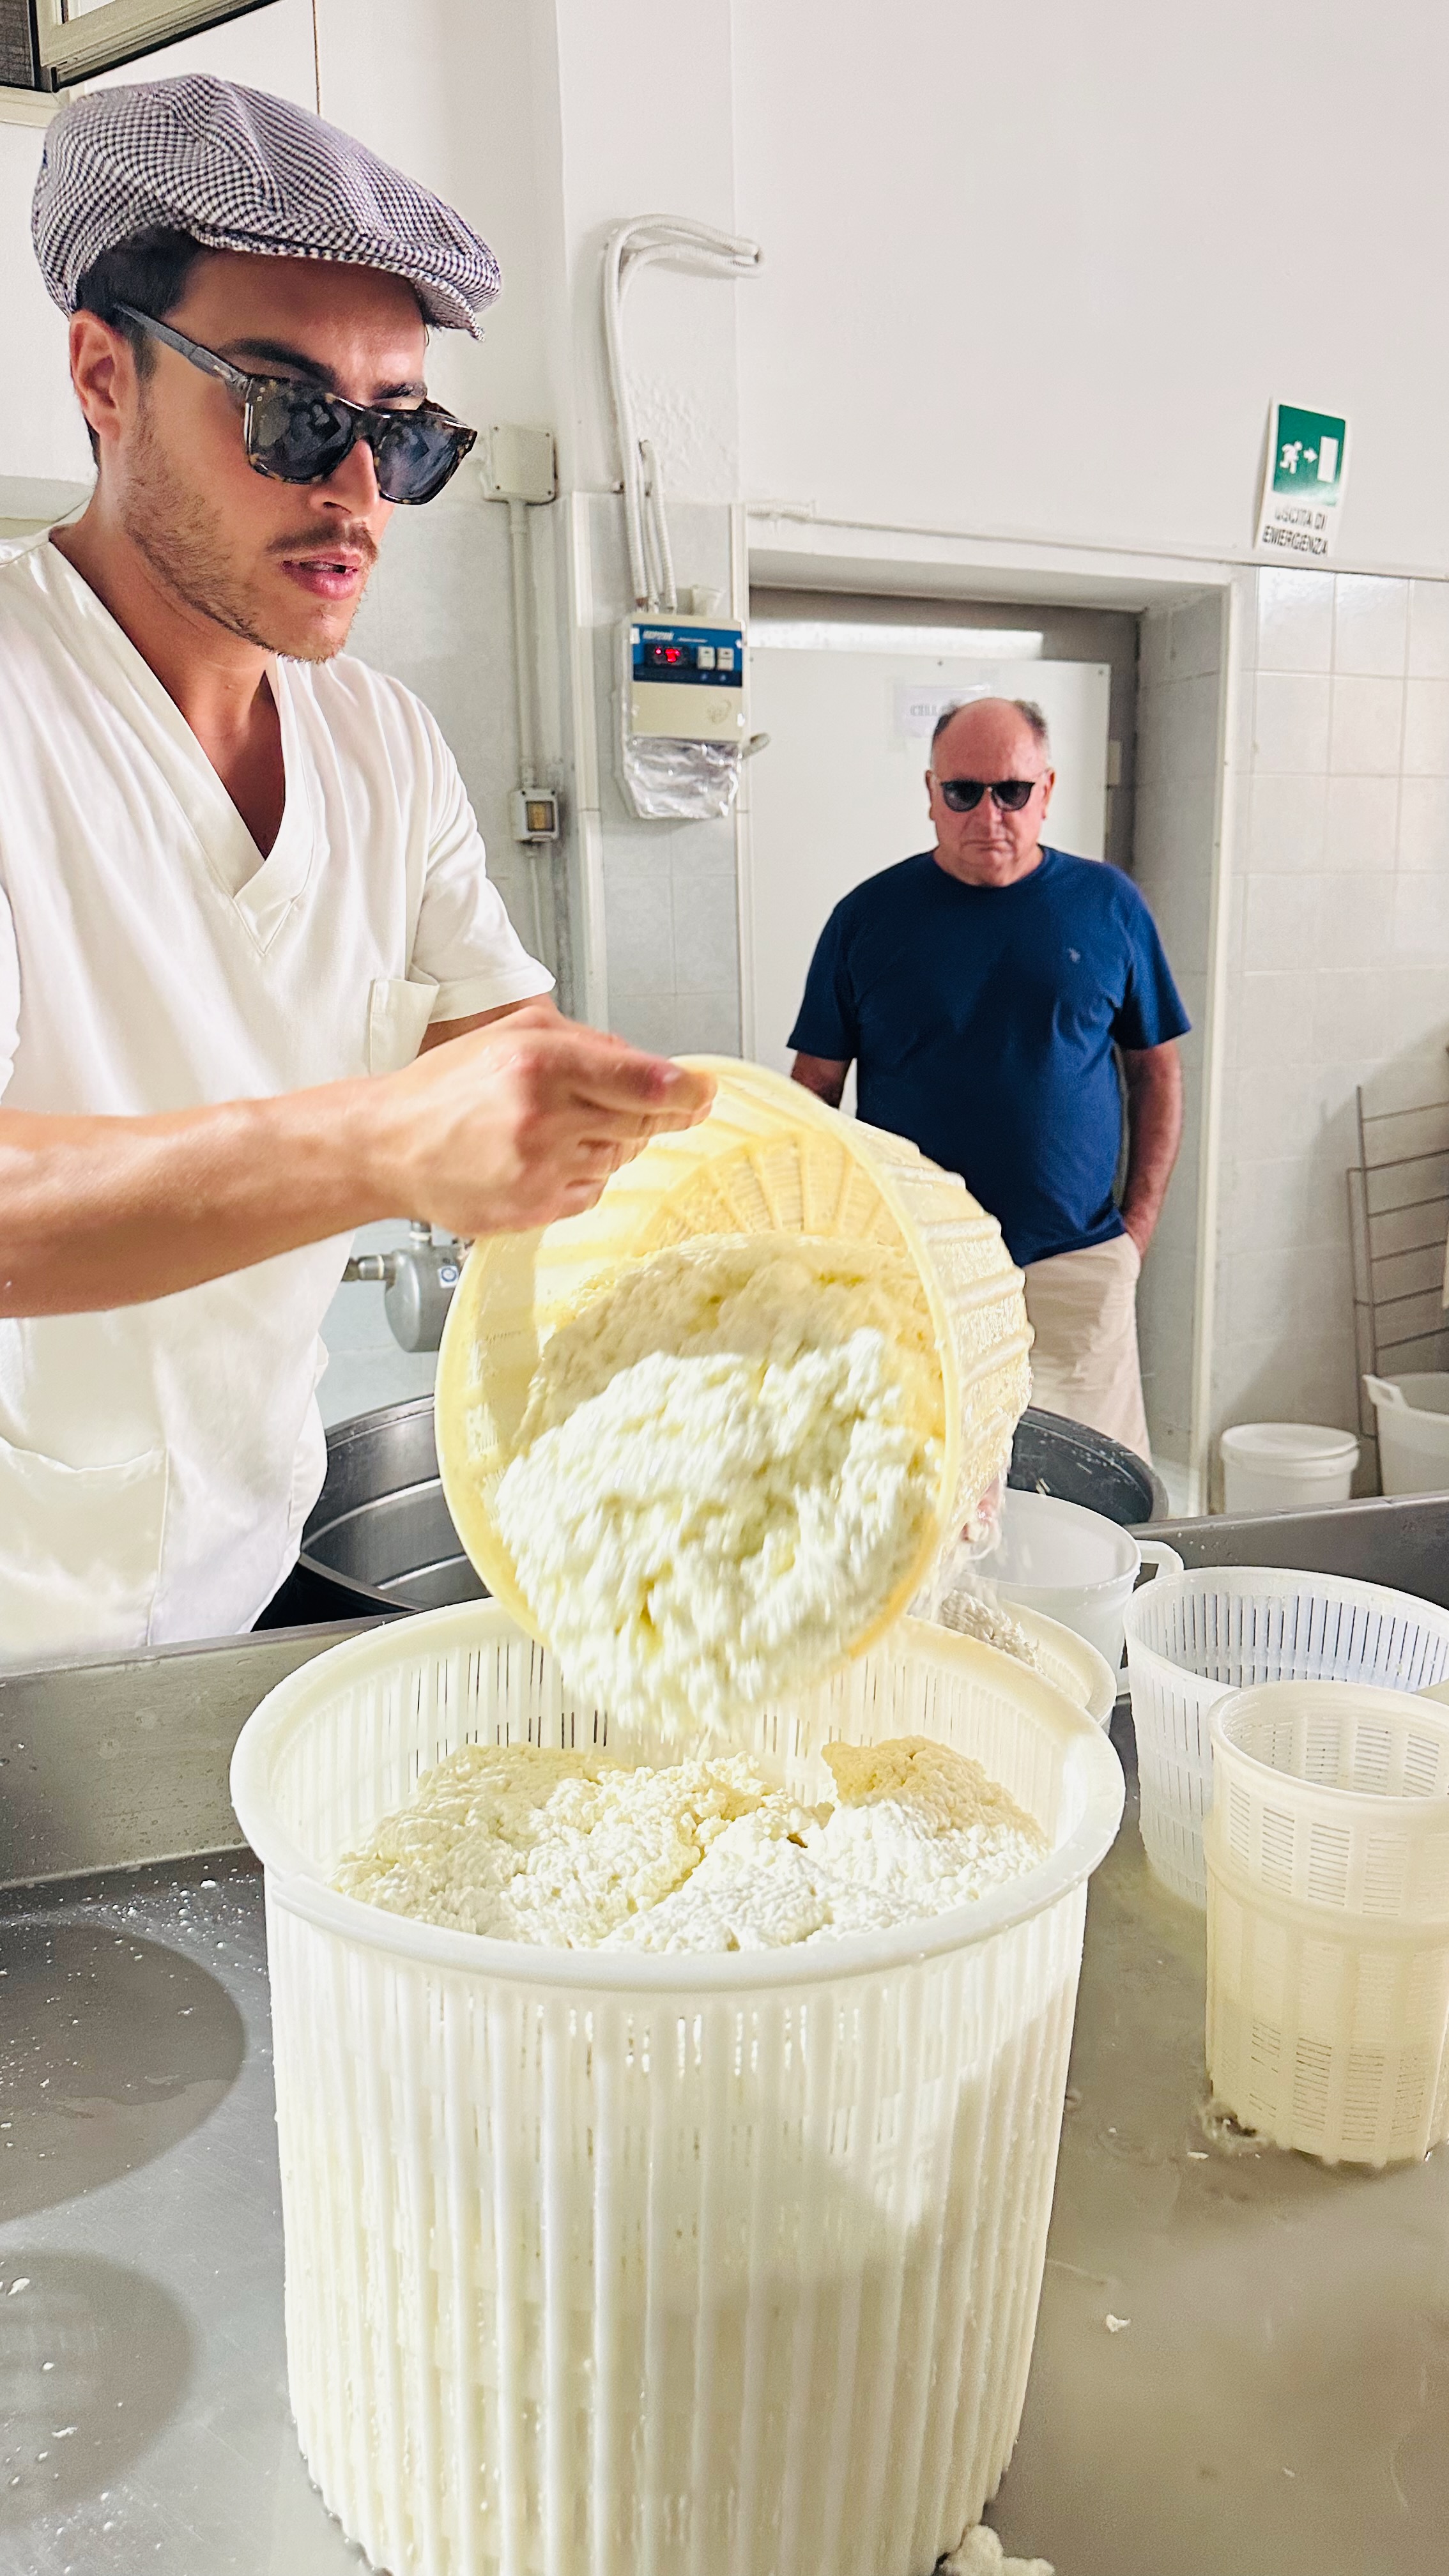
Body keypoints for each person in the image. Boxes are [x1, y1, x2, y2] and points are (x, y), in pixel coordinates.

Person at [0, 75, 713, 1666]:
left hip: (235, 1577)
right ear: (104, 374)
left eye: (402, 433)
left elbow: (528, 1073)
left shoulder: (380, 742)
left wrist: (799, 1317)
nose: (358, 495)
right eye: (293, 411)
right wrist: (381, 1143)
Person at [788, 694, 1186, 1461]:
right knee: (929, 1486)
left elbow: (1157, 1072)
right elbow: (813, 1093)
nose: (989, 814)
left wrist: (1134, 1234)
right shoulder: (866, 918)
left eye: (1012, 791)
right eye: (963, 792)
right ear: (931, 794)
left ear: (1048, 791)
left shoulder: (1109, 906)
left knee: (1097, 1495)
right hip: (916, 1268)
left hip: (1075, 1269)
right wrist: (826, 1244)